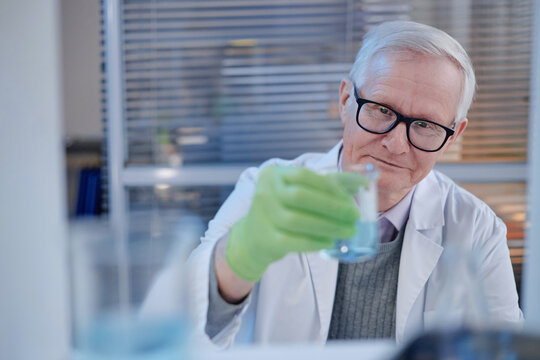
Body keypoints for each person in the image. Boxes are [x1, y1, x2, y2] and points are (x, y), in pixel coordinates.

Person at [144, 20, 523, 347]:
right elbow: (160, 330)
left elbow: (502, 348)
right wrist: (237, 257)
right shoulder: (269, 188)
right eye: (381, 109)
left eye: (424, 125)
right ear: (345, 100)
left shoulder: (476, 229)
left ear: (454, 136)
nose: (394, 143)